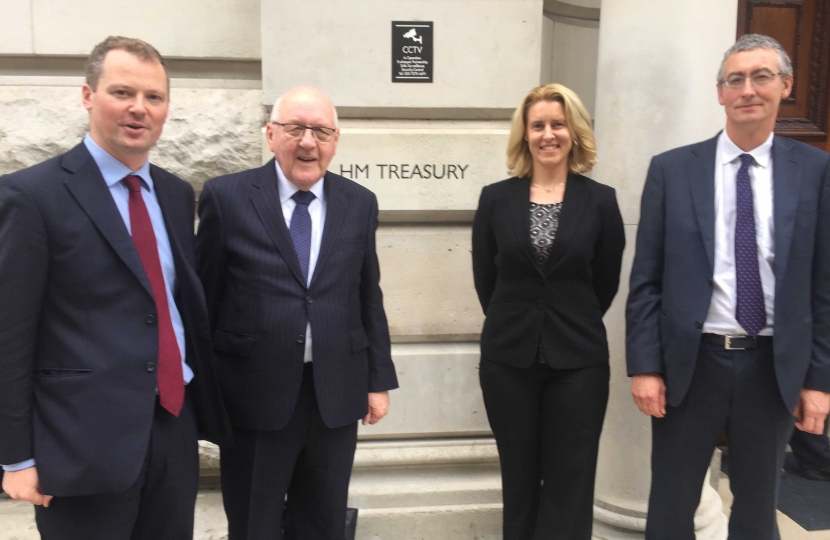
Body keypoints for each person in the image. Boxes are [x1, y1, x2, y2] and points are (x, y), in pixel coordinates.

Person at [0, 36, 230, 540]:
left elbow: (173, 306)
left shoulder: (174, 193)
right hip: (80, 442)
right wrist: (15, 457)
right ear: (88, 96)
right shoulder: (31, 196)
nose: (139, 109)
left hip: (171, 426)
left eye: (154, 97)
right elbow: (9, 337)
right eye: (122, 92)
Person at [626, 34, 830, 540]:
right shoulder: (673, 170)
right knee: (671, 508)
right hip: (690, 364)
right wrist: (645, 366)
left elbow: (823, 286)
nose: (748, 89)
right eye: (735, 79)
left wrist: (819, 380)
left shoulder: (816, 172)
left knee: (758, 512)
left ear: (784, 86)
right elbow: (646, 279)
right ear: (720, 93)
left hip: (772, 365)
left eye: (761, 76)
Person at [196, 86, 399, 540]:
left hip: (335, 394)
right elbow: (203, 301)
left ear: (335, 139)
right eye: (295, 129)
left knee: (323, 524)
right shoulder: (226, 197)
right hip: (254, 396)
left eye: (321, 131)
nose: (308, 142)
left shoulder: (359, 203)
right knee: (254, 524)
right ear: (271, 135)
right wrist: (203, 395)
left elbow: (368, 294)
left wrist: (377, 380)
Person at [471, 83, 625, 540]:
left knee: (570, 481)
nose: (548, 134)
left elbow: (605, 283)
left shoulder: (600, 201)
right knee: (518, 479)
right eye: (537, 125)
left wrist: (564, 318)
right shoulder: (495, 199)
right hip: (508, 361)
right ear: (525, 135)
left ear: (574, 132)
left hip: (578, 362)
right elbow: (487, 282)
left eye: (558, 124)